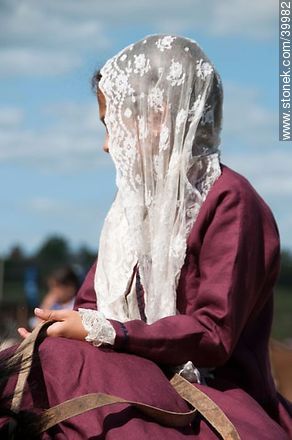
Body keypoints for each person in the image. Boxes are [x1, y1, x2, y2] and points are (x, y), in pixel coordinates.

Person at [2, 34, 292, 439]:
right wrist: (55, 330)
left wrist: (110, 333)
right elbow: (90, 306)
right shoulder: (130, 210)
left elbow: (212, 335)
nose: (106, 146)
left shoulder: (232, 201)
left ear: (158, 115)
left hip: (212, 392)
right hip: (132, 373)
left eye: (111, 126)